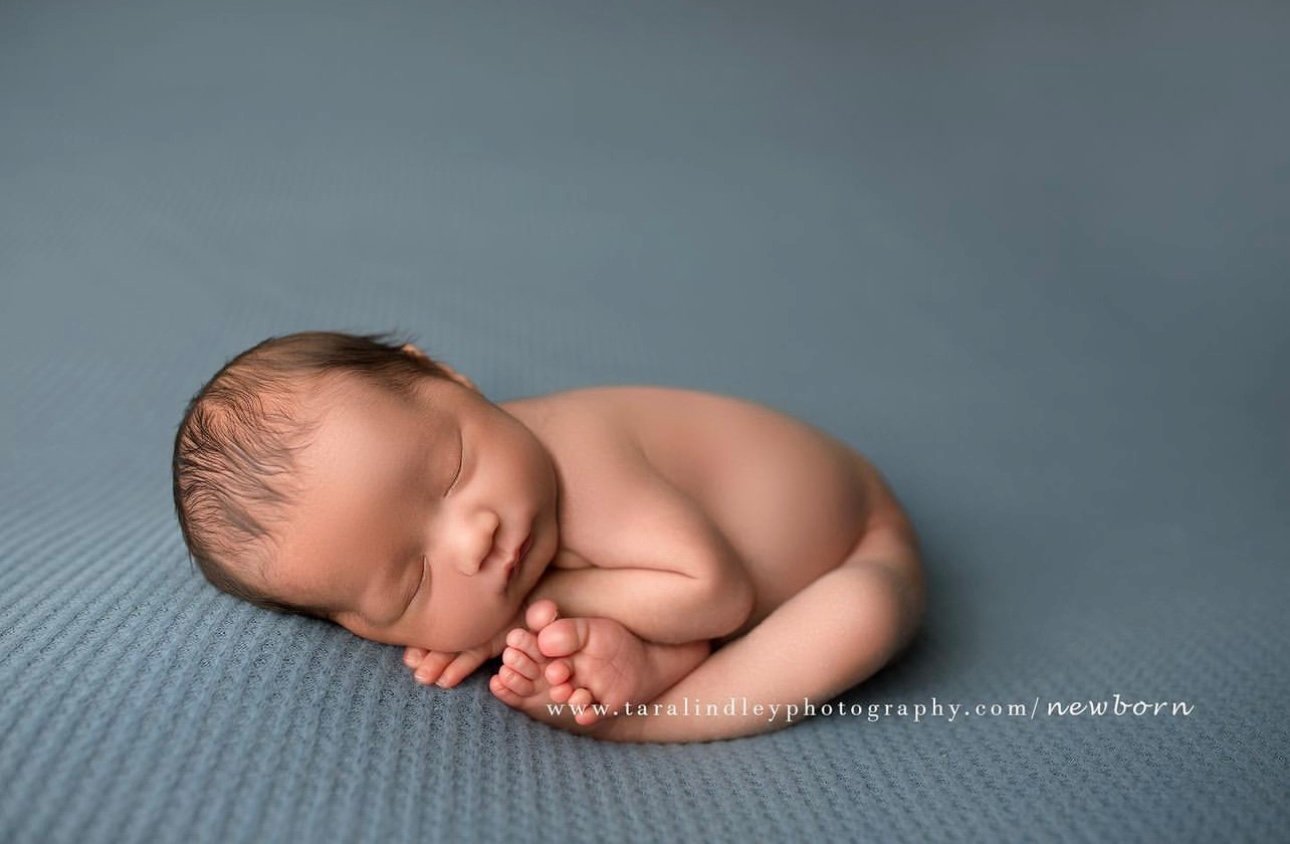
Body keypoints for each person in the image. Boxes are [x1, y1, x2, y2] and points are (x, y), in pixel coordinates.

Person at [172, 330, 925, 742]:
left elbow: (716, 595)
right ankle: (645, 661)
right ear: (359, 627)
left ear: (447, 377)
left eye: (452, 468)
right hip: (693, 587)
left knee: (867, 611)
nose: (472, 540)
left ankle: (651, 721)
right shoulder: (514, 524)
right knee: (606, 635)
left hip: (856, 535)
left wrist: (517, 609)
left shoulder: (576, 459)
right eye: (413, 582)